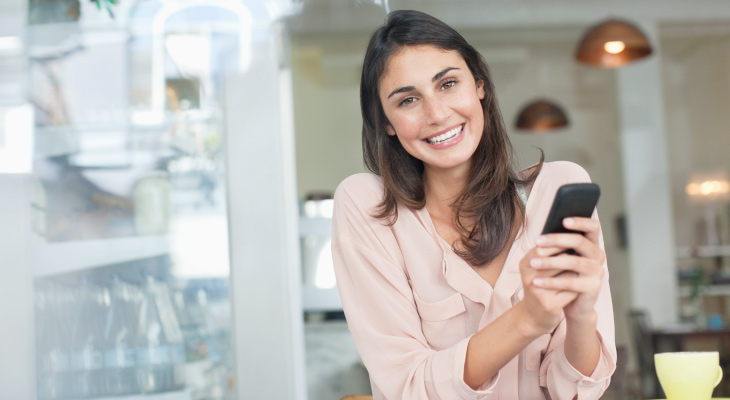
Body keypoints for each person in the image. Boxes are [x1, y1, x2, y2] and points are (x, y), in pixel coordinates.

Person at [331, 9, 616, 400]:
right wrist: (528, 319)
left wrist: (580, 314)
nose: (437, 113)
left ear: (479, 85)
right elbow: (407, 387)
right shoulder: (370, 208)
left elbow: (576, 391)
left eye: (448, 84)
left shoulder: (556, 188)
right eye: (409, 99)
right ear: (386, 123)